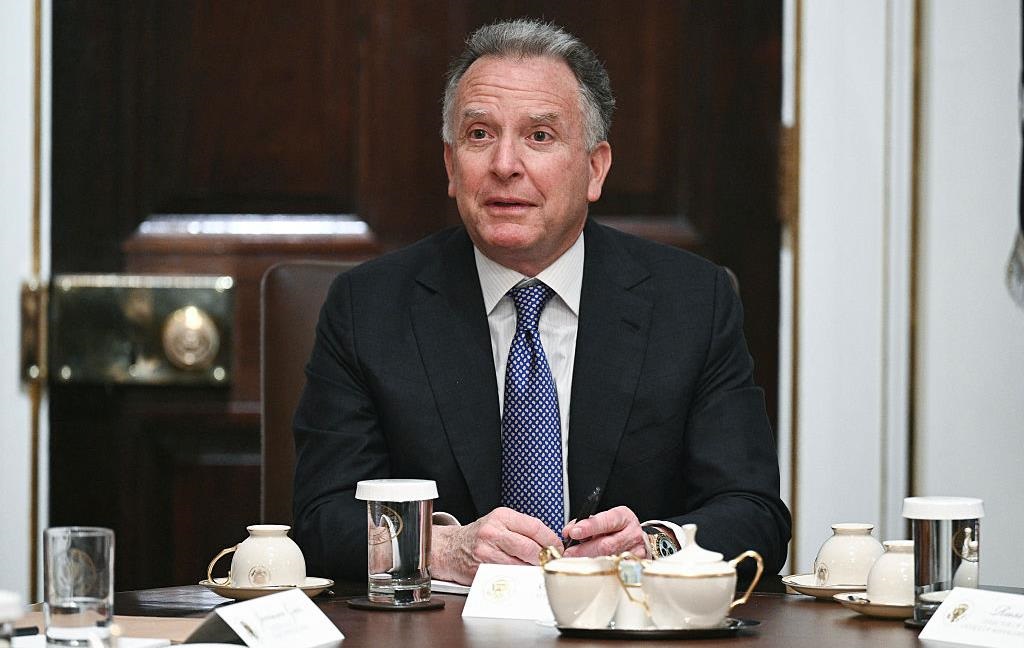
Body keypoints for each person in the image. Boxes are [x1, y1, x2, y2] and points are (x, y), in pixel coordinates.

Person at [292, 18, 791, 586]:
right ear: (452, 166)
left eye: (540, 136)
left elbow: (755, 514)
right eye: (480, 134)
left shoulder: (693, 304)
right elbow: (320, 519)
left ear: (595, 169)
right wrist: (442, 547)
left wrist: (653, 546)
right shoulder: (369, 308)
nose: (505, 164)